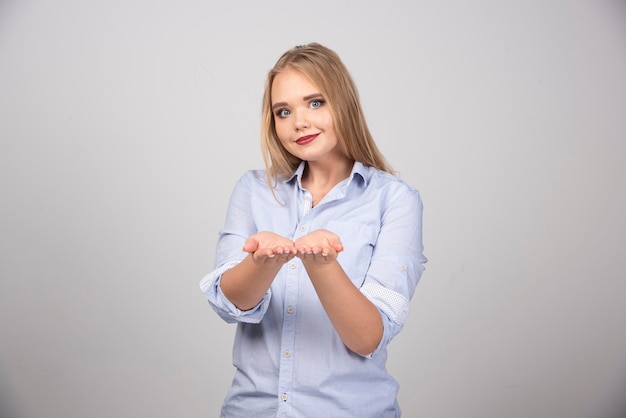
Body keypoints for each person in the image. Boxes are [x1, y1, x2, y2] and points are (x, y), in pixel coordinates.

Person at [199, 42, 427, 418]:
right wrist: (264, 261)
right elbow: (228, 303)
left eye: (315, 102)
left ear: (344, 103)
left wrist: (322, 264)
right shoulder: (254, 191)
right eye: (283, 111)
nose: (299, 122)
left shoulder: (394, 200)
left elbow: (367, 337)